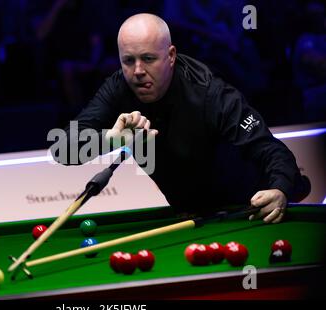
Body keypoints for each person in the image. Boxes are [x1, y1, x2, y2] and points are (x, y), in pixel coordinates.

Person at [53, 13, 310, 222]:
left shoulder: (210, 92)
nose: (138, 71)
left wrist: (280, 189)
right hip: (191, 218)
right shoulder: (118, 87)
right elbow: (61, 149)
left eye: (148, 59)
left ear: (171, 55)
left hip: (250, 211)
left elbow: (270, 148)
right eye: (128, 60)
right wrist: (110, 140)